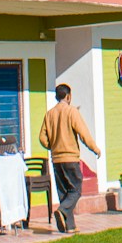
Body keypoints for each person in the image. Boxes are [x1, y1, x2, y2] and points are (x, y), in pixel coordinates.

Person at [36, 83, 100, 234]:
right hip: (70, 157)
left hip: (56, 159)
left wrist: (52, 146)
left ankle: (70, 226)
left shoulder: (49, 114)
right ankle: (62, 210)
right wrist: (95, 148)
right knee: (76, 190)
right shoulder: (72, 112)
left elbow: (42, 138)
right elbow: (83, 134)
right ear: (68, 96)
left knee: (64, 192)